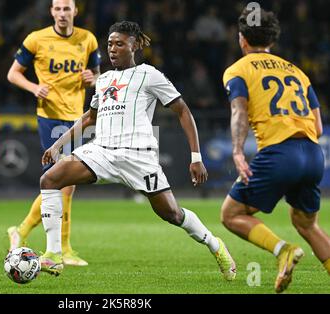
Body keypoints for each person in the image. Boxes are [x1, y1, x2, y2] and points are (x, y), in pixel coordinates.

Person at [36, 21, 237, 280]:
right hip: (102, 151)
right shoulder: (104, 79)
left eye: (119, 43)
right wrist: (57, 145)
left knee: (172, 214)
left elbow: (182, 111)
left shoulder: (149, 74)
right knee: (50, 178)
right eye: (109, 44)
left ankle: (215, 244)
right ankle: (53, 255)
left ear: (135, 45)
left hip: (138, 156)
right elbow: (89, 118)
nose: (113, 49)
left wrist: (196, 157)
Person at [220, 8, 330, 293]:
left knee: (231, 215)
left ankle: (283, 250)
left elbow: (239, 111)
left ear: (242, 39)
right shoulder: (297, 72)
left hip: (281, 154)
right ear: (272, 40)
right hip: (313, 154)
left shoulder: (238, 70)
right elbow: (317, 127)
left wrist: (238, 151)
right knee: (306, 223)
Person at [7, 0, 101, 266]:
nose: (62, 13)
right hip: (50, 117)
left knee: (68, 186)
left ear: (75, 11)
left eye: (66, 8)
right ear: (51, 12)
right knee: (63, 183)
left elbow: (97, 73)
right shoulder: (36, 39)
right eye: (57, 9)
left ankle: (39, 238)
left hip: (77, 117)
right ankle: (37, 237)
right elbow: (13, 74)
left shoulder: (88, 39)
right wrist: (34, 88)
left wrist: (92, 79)